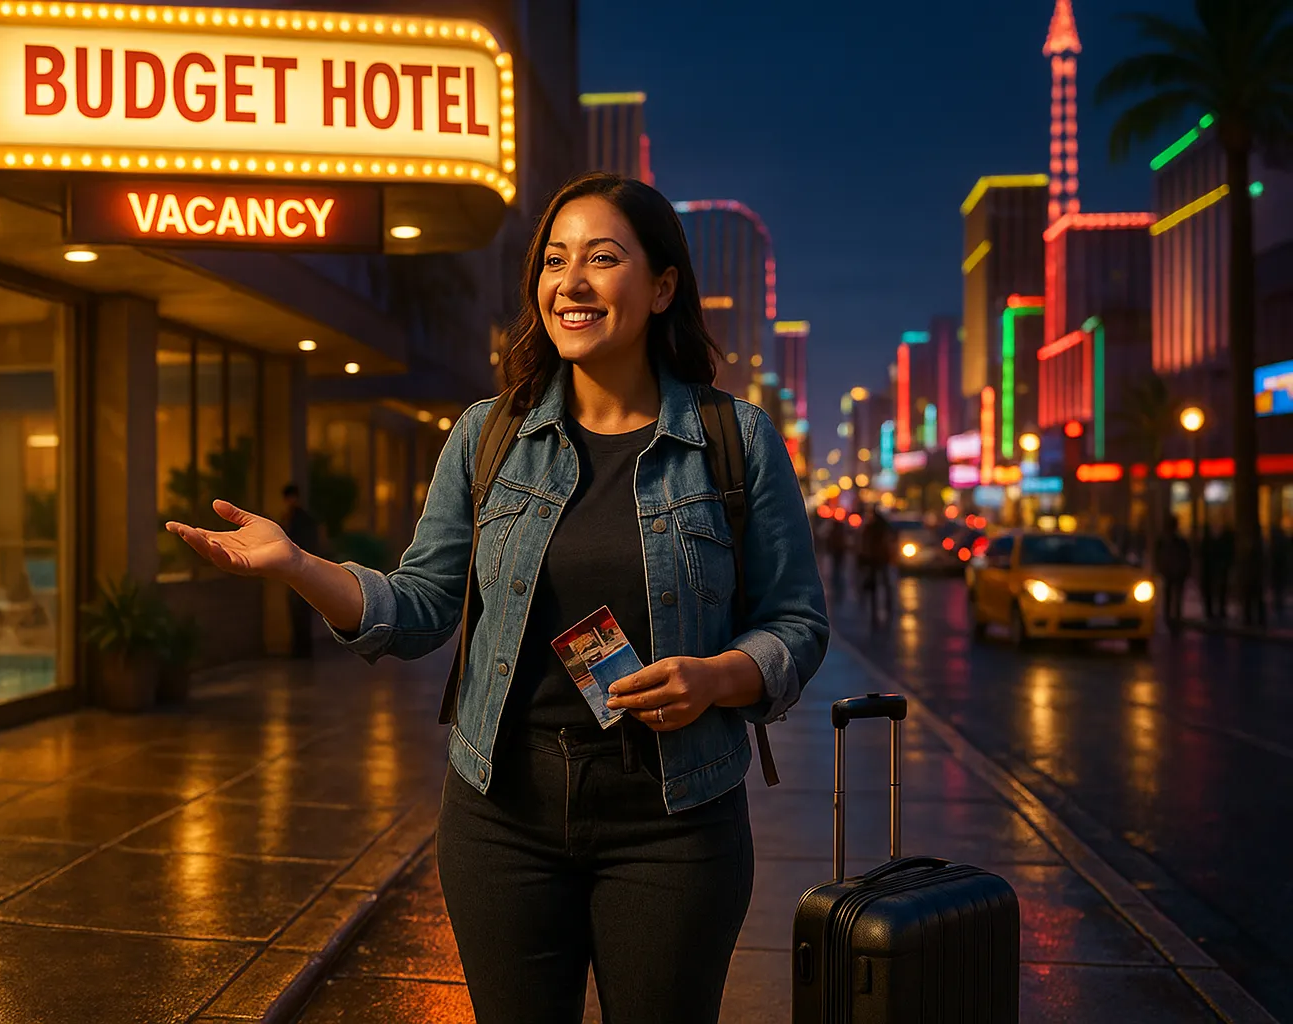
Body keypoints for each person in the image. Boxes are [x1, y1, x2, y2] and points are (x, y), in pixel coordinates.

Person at [165, 172, 829, 1024]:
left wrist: (719, 678)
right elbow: (418, 606)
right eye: (555, 261)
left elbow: (798, 625)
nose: (571, 282)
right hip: (501, 814)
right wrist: (297, 565)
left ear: (663, 286)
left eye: (603, 258)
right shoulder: (490, 433)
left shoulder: (733, 442)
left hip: (673, 819)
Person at [280, 483, 320, 658]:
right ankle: (300, 648)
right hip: (294, 570)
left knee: (301, 611)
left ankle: (302, 649)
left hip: (301, 569)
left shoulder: (302, 519)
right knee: (297, 611)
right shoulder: (290, 517)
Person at [1155, 514, 1191, 633]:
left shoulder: (1176, 541)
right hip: (1171, 572)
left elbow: (1185, 557)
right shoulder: (1168, 541)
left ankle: (1173, 618)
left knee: (1173, 596)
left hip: (1175, 572)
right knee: (1171, 596)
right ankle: (1171, 619)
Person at [857, 507, 894, 623]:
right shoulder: (883, 527)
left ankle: (878, 606)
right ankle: (888, 603)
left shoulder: (871, 527)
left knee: (876, 584)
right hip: (881, 558)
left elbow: (865, 542)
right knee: (884, 582)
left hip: (875, 558)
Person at [1271, 516, 1291, 621]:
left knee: (1279, 588)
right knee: (1279, 588)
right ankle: (1278, 605)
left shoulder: (1281, 539)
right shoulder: (1282, 538)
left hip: (1280, 567)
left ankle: (1278, 604)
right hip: (1279, 567)